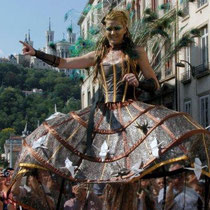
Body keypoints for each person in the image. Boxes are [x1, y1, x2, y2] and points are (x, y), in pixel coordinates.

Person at [12, 9, 209, 209]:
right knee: (106, 169)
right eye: (109, 29)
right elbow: (64, 63)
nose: (113, 32)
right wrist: (36, 53)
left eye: (117, 28)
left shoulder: (137, 52)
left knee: (129, 171)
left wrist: (138, 83)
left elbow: (154, 83)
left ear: (125, 29)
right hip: (104, 116)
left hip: (131, 114)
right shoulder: (98, 55)